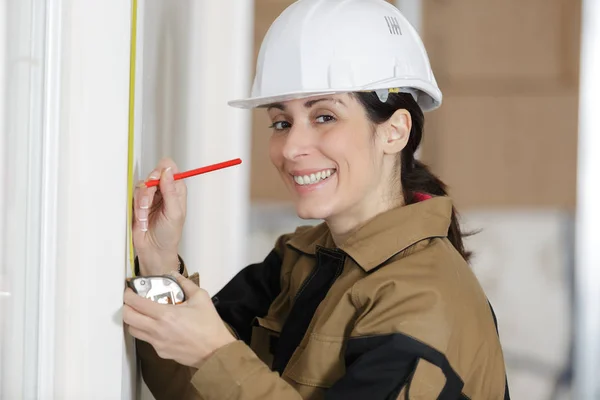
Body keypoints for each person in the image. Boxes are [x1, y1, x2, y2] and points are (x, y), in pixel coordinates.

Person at [122, 0, 510, 398]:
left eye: (324, 116)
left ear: (395, 132)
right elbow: (192, 390)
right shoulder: (301, 260)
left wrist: (214, 353)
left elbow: (213, 364)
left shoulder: (426, 300)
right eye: (281, 122)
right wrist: (159, 260)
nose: (291, 147)